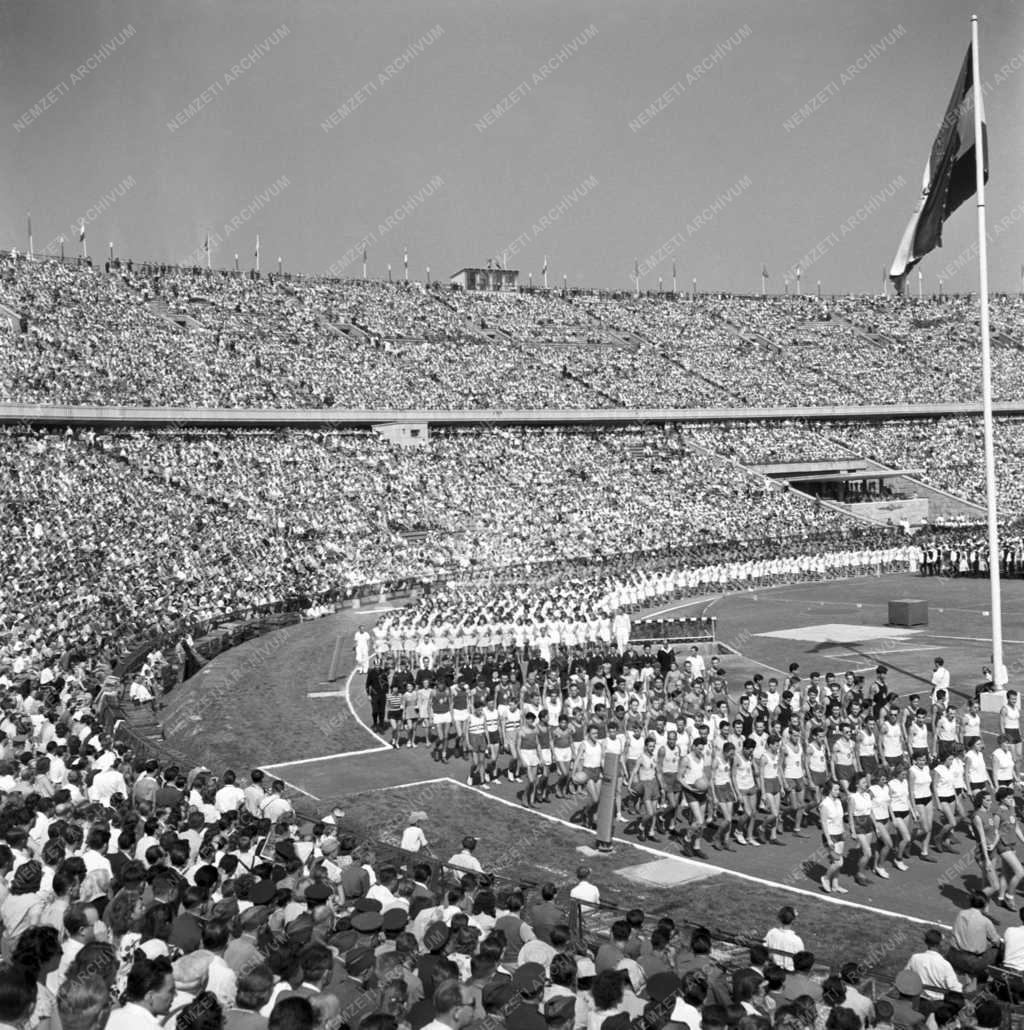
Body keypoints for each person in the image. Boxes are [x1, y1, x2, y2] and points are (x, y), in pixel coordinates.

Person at [763, 908, 802, 973]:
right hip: (790, 972)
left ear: (779, 919)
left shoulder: (771, 933)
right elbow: (801, 959)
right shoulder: (797, 940)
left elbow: (764, 949)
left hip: (773, 970)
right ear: (793, 921)